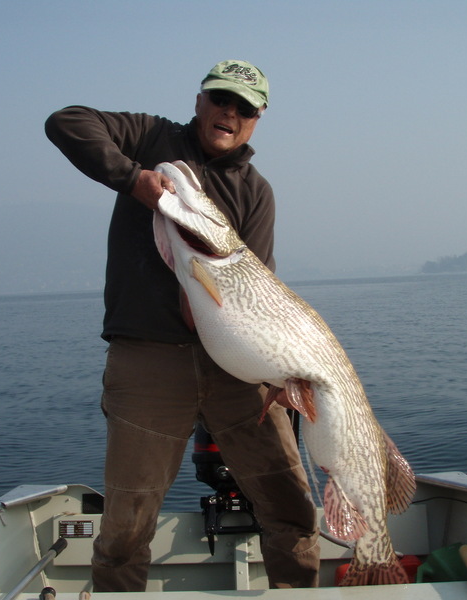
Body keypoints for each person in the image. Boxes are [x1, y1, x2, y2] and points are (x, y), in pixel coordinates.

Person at [45, 59, 319, 591]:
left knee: (289, 501)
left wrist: (282, 371)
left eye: (244, 108)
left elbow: (256, 289)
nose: (229, 113)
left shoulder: (256, 191)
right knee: (127, 520)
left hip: (234, 366)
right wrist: (134, 181)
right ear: (199, 101)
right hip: (147, 357)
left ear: (258, 118)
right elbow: (66, 122)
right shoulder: (152, 138)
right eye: (220, 99)